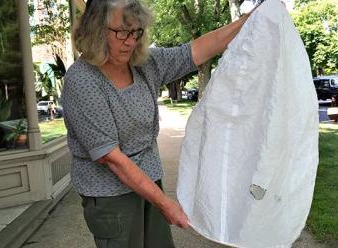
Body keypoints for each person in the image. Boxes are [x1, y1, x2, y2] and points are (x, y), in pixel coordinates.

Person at [62, 0, 255, 247]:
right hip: (110, 196)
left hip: (148, 183)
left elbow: (196, 50)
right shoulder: (82, 81)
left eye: (136, 31)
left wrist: (248, 20)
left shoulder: (144, 63)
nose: (130, 41)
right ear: (95, 30)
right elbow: (112, 158)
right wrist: (166, 204)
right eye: (122, 32)